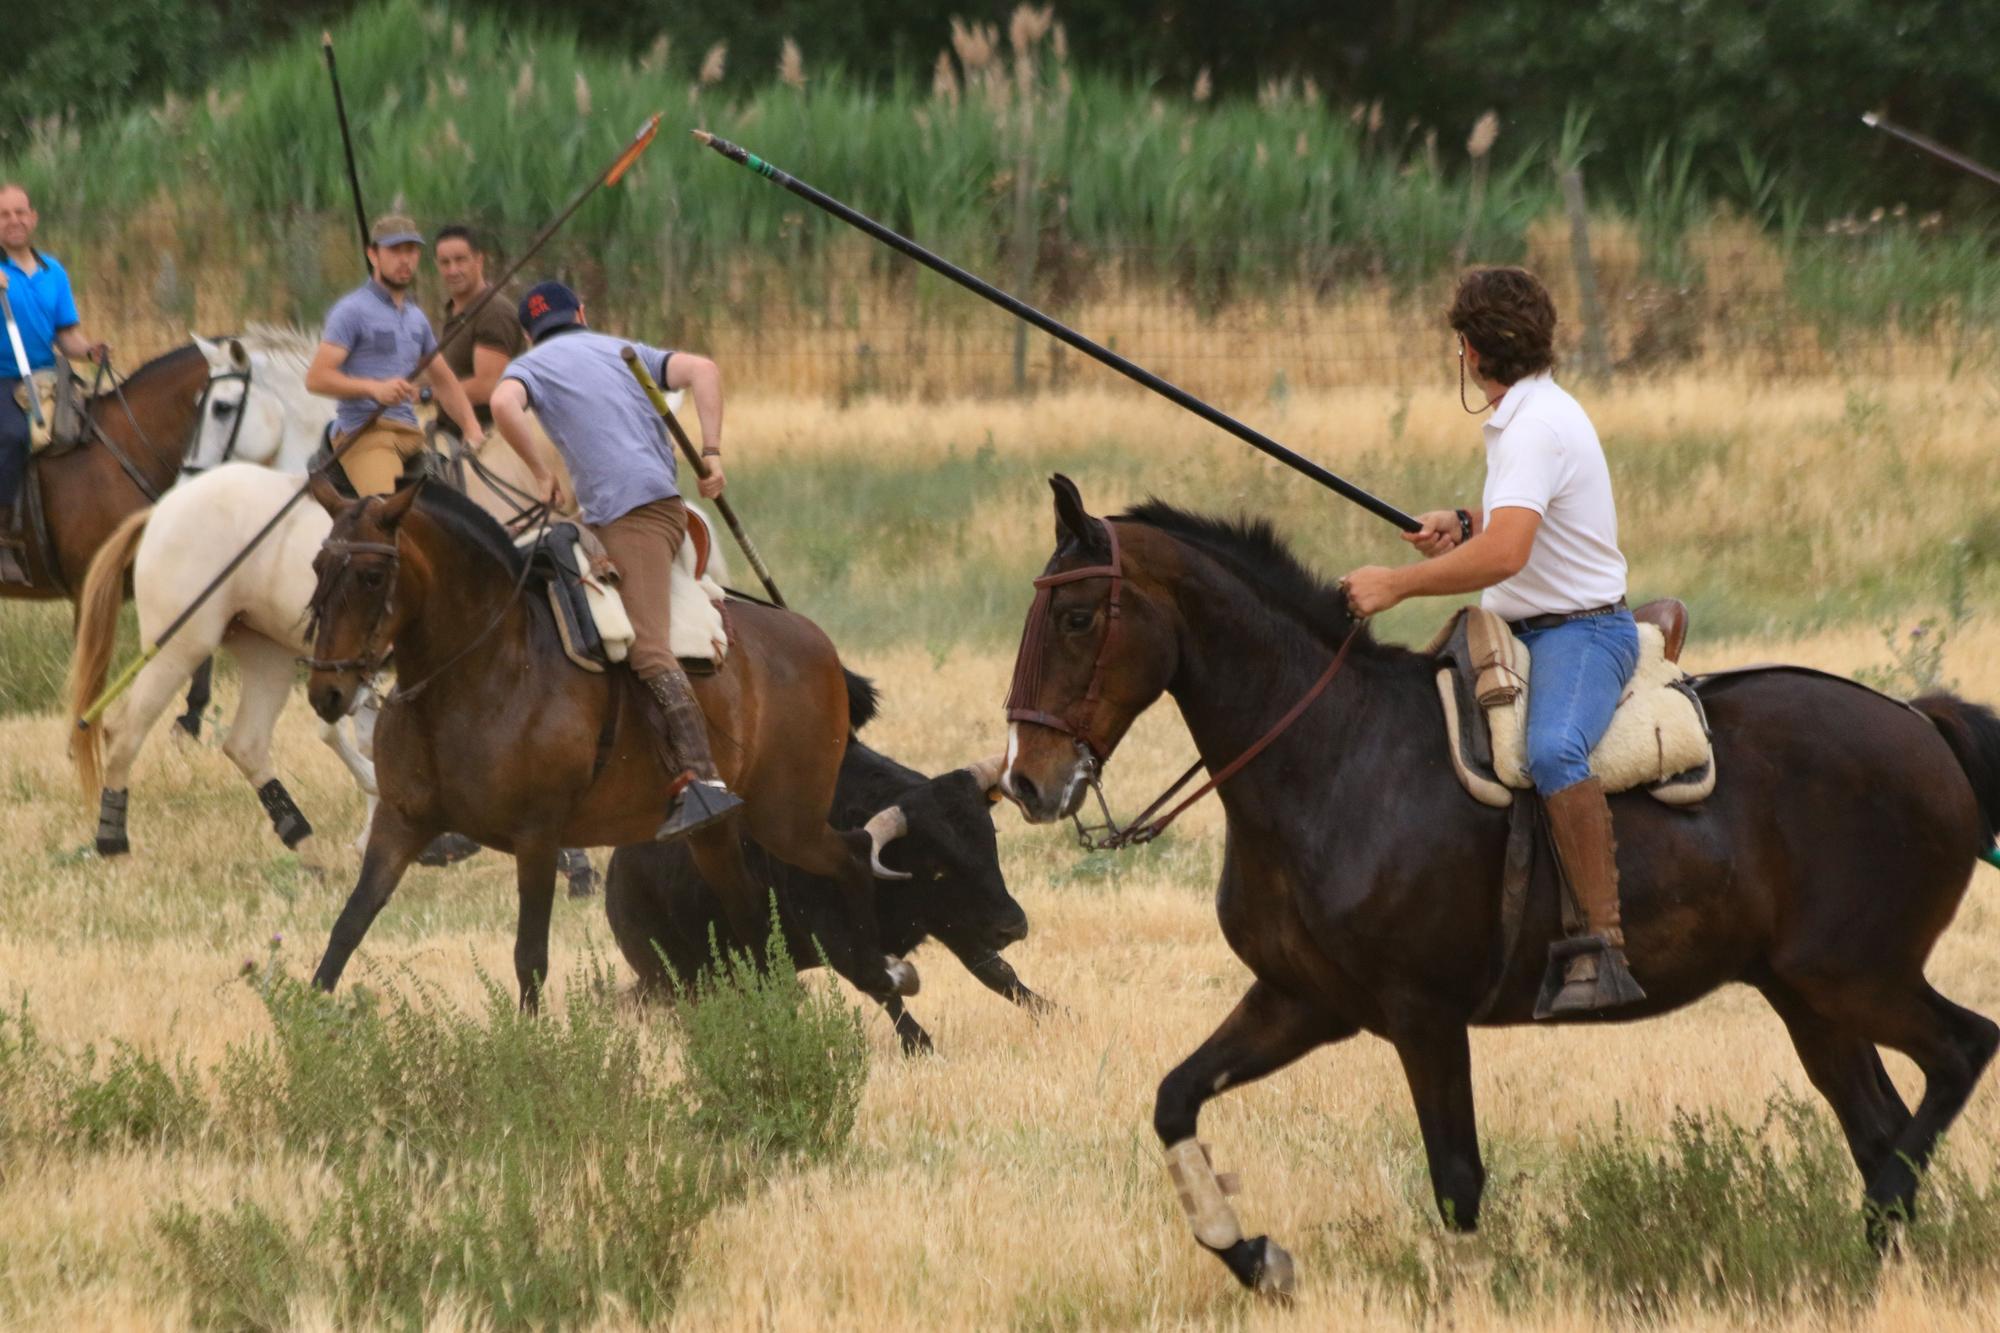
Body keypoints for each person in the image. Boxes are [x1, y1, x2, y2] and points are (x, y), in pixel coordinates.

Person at [1340, 266, 1643, 1017]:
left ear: (1470, 351)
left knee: (1552, 752)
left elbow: (1509, 554)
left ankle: (1601, 946)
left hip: (1581, 634)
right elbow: (1508, 525)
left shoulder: (1536, 424)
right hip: (1517, 627)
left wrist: (1398, 584)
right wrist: (1463, 523)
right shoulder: (1528, 415)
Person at [486, 280, 738, 842]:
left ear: (529, 333)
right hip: (628, 508)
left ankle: (705, 780)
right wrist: (712, 452)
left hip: (638, 514)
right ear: (581, 312)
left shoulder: (532, 365)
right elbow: (704, 370)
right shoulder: (623, 350)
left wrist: (541, 473)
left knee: (647, 648)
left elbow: (502, 403)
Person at [303, 215, 484, 495]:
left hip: (411, 436)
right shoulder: (351, 311)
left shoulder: (416, 318)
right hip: (365, 437)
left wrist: (473, 431)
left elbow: (445, 380)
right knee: (390, 518)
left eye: (410, 251)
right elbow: (316, 379)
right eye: (394, 251)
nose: (405, 260)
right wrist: (374, 389)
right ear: (373, 255)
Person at [1, 182, 110, 584]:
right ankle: (4, 539)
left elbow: (65, 335)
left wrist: (88, 350)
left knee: (99, 424)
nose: (13, 220)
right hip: (2, 377)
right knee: (13, 436)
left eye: (19, 212)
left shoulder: (53, 271)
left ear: (33, 218)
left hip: (48, 373)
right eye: (4, 214)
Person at [431, 223, 524, 437]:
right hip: (448, 432)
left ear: (479, 261)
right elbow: (448, 373)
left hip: (489, 441)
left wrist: (429, 395)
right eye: (445, 262)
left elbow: (488, 386)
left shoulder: (494, 312)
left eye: (460, 260)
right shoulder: (455, 311)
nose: (452, 270)